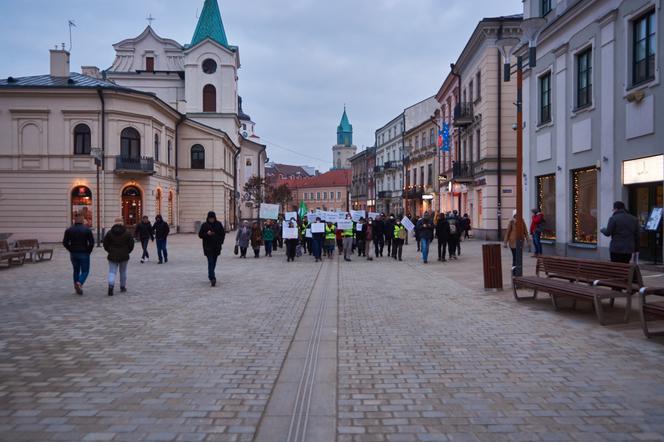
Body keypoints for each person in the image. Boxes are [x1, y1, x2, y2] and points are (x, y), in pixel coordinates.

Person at [62, 212, 95, 295]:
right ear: (82, 220)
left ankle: (76, 286)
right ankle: (79, 283)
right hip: (84, 252)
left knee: (76, 270)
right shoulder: (87, 230)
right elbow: (91, 242)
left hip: (73, 253)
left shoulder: (69, 230)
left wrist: (70, 249)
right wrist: (89, 251)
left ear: (74, 220)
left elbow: (65, 242)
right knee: (85, 271)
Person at [103, 217, 134, 296]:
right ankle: (122, 286)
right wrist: (127, 251)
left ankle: (111, 286)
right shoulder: (127, 233)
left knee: (112, 272)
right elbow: (131, 245)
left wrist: (109, 250)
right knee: (123, 272)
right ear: (122, 223)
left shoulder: (110, 233)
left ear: (115, 223)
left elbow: (105, 244)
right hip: (124, 255)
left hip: (112, 255)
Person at [198, 211, 226, 286]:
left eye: (212, 218)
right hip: (208, 247)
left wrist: (220, 241)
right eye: (210, 218)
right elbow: (200, 235)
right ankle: (212, 278)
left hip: (216, 247)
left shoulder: (218, 224)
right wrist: (207, 234)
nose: (211, 220)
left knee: (213, 262)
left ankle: (211, 274)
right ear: (208, 218)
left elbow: (222, 234)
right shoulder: (204, 225)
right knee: (210, 262)